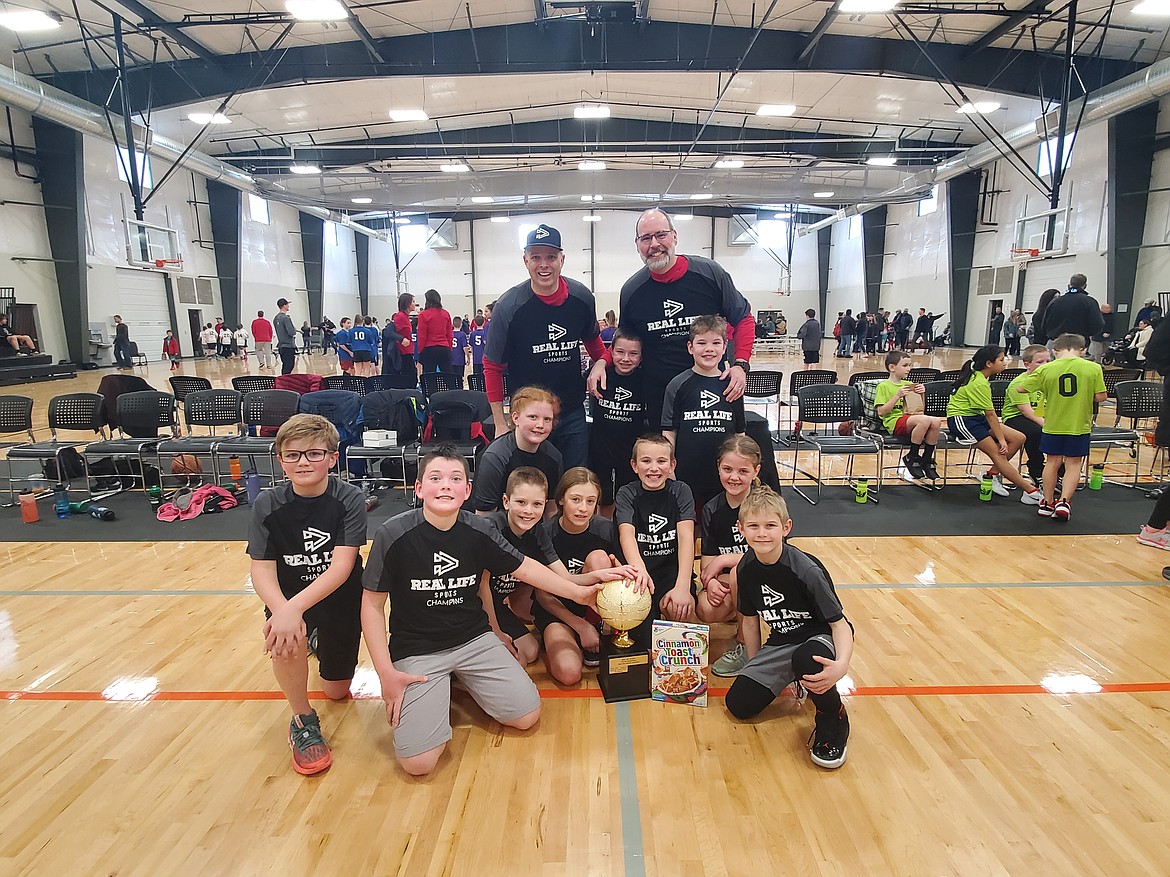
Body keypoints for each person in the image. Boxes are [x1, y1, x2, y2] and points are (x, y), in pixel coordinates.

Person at [359, 444, 608, 777]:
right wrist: (386, 674)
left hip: (474, 639)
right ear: (418, 489)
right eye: (435, 478)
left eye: (455, 478)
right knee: (418, 764)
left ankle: (460, 679)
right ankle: (440, 683)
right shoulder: (393, 533)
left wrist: (580, 593)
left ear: (467, 490)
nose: (445, 485)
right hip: (418, 649)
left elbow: (528, 569)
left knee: (526, 716)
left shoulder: (480, 530)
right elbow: (372, 607)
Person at [246, 414, 368, 776]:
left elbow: (341, 567)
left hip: (338, 597)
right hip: (288, 597)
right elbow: (261, 569)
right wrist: (284, 611)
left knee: (336, 691)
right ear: (280, 459)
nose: (303, 462)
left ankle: (313, 634)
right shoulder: (267, 504)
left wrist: (293, 609)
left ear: (333, 457)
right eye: (293, 454)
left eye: (314, 453)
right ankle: (301, 719)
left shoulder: (349, 498)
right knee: (284, 638)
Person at [587, 209, 754, 433]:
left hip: (711, 387)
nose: (654, 244)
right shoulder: (632, 291)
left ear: (674, 236)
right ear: (637, 244)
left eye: (661, 235)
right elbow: (625, 342)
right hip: (659, 394)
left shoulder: (710, 274)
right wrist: (600, 363)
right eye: (646, 238)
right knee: (664, 460)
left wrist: (741, 365)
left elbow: (744, 319)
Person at [724, 486, 854, 770]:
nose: (762, 534)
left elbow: (839, 623)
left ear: (786, 527)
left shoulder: (806, 569)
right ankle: (796, 676)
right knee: (739, 705)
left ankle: (833, 716)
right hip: (783, 639)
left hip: (820, 636)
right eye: (754, 526)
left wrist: (841, 665)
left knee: (806, 659)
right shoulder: (745, 569)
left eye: (770, 526)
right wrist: (755, 663)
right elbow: (749, 620)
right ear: (741, 528)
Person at [485, 467, 644, 669]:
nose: (528, 511)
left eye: (536, 504)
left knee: (530, 652)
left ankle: (595, 632)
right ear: (506, 502)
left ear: (545, 505)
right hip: (476, 607)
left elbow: (564, 578)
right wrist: (496, 631)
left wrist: (601, 574)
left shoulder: (536, 533)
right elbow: (482, 586)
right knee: (528, 661)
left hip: (498, 607)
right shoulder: (491, 528)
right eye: (521, 503)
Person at [484, 223, 604, 470]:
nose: (544, 264)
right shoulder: (508, 307)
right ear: (525, 260)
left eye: (551, 257)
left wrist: (602, 363)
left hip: (571, 413)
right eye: (536, 257)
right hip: (529, 417)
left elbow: (594, 342)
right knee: (531, 488)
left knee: (574, 485)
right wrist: (500, 421)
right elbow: (492, 366)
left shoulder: (581, 298)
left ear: (562, 259)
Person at [538, 468, 623, 685]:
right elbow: (543, 596)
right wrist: (579, 626)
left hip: (593, 610)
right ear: (560, 500)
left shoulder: (605, 529)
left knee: (600, 559)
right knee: (569, 674)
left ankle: (599, 625)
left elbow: (618, 573)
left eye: (590, 501)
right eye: (575, 499)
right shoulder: (544, 534)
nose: (583, 508)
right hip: (558, 609)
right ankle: (558, 643)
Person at [1013, 333, 1106, 521]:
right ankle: (1063, 501)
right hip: (1078, 425)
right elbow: (1101, 397)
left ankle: (1047, 502)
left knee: (1052, 462)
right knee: (1073, 463)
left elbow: (1021, 388)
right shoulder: (1093, 368)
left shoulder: (1047, 369)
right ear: (1083, 350)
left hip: (1053, 424)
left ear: (1055, 351)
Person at [616, 433, 697, 645]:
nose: (654, 468)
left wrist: (682, 587)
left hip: (671, 572)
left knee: (679, 608)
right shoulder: (626, 493)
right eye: (646, 461)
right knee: (645, 642)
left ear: (672, 465)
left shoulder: (681, 491)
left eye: (661, 461)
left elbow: (687, 537)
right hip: (640, 574)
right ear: (634, 465)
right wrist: (639, 569)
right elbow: (627, 534)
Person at [662, 315, 746, 512]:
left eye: (716, 343)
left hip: (725, 477)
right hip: (687, 474)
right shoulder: (677, 385)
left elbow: (739, 435)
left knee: (717, 529)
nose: (709, 349)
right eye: (702, 343)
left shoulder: (732, 385)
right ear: (690, 347)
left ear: (725, 347)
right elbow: (669, 432)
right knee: (689, 526)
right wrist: (669, 469)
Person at [697, 435, 763, 677]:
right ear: (718, 468)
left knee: (738, 573)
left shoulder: (764, 505)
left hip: (767, 580)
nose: (734, 477)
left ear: (756, 471)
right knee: (706, 608)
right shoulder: (712, 509)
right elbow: (707, 563)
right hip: (729, 582)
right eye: (727, 469)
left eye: (743, 471)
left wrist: (725, 560)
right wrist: (711, 582)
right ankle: (741, 616)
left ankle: (747, 647)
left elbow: (772, 555)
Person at [947, 345, 1043, 504]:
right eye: (1001, 359)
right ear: (989, 363)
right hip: (963, 420)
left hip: (976, 418)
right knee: (999, 454)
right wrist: (1002, 440)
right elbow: (990, 415)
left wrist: (1003, 437)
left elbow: (989, 416)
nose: (1005, 362)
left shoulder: (982, 378)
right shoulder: (979, 383)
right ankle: (1030, 491)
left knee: (1019, 438)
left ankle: (990, 476)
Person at [469, 386, 563, 513]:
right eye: (533, 417)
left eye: (547, 419)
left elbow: (551, 510)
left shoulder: (554, 456)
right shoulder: (494, 457)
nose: (540, 425)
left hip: (534, 525)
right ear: (515, 418)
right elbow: (484, 515)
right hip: (498, 526)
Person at [588, 329, 646, 517]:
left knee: (627, 498)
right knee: (602, 496)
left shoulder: (646, 381)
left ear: (641, 356)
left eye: (633, 354)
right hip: (600, 449)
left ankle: (623, 532)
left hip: (629, 452)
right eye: (620, 352)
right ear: (611, 352)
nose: (626, 358)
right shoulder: (598, 375)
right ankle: (603, 530)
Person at [875, 350, 945, 483]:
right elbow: (881, 412)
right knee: (923, 421)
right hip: (894, 421)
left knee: (935, 421)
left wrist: (922, 394)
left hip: (911, 418)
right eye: (905, 365)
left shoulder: (908, 384)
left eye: (909, 365)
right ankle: (912, 457)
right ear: (892, 367)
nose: (909, 369)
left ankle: (927, 458)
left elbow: (920, 410)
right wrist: (897, 396)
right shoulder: (883, 386)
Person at [1000, 344, 1051, 489]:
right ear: (1027, 364)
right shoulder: (1020, 383)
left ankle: (1059, 471)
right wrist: (1047, 425)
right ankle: (1037, 472)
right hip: (1015, 418)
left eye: (1048, 361)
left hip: (1039, 416)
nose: (1045, 365)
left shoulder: (1049, 381)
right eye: (1040, 362)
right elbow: (1026, 411)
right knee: (1036, 432)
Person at [1043, 275, 1104, 352]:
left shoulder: (1055, 302)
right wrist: (1086, 335)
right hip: (1078, 344)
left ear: (1069, 285)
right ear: (1085, 286)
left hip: (1056, 343)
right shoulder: (1090, 302)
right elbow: (1098, 324)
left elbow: (1044, 324)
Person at [416, 289, 453, 375]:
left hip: (429, 349)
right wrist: (449, 348)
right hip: (444, 348)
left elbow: (422, 336)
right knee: (449, 377)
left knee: (429, 378)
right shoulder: (446, 313)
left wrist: (420, 352)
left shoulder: (423, 315)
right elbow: (449, 334)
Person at [390, 294, 416, 379]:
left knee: (412, 375)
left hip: (408, 351)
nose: (414, 304)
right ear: (407, 303)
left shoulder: (406, 317)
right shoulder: (400, 316)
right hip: (403, 352)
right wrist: (401, 339)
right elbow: (391, 331)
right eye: (413, 301)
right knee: (409, 376)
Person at [274, 298, 297, 375]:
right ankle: (285, 382)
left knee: (285, 366)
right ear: (284, 306)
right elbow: (291, 332)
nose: (288, 306)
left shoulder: (275, 318)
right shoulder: (286, 318)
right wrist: (294, 329)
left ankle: (283, 381)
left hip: (281, 346)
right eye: (287, 305)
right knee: (289, 365)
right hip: (288, 346)